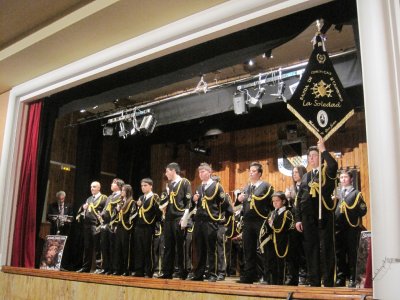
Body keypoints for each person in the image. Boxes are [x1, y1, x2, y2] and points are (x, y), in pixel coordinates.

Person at [295, 138, 338, 287]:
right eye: (309, 157)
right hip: (308, 217)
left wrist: (323, 150)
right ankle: (314, 281)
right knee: (311, 249)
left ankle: (327, 281)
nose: (311, 159)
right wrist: (298, 219)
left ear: (320, 157)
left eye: (314, 156)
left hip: (324, 214)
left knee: (326, 248)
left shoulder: (327, 171)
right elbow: (299, 199)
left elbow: (334, 165)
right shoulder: (306, 176)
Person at [189, 163, 229, 281]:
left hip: (210, 221)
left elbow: (224, 203)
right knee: (199, 248)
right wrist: (193, 199)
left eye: (203, 172)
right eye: (199, 172)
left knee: (212, 249)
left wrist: (218, 217)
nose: (200, 174)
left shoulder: (217, 186)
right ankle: (198, 273)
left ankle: (212, 274)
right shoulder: (199, 187)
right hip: (199, 221)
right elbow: (193, 204)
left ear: (209, 172)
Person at [235, 162, 274, 284]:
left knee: (264, 249)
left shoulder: (266, 186)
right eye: (250, 171)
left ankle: (267, 276)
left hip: (261, 220)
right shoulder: (247, 187)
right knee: (248, 249)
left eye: (253, 171)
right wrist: (239, 199)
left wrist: (271, 218)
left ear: (260, 173)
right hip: (248, 221)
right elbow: (240, 204)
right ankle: (250, 275)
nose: (251, 173)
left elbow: (272, 204)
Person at [158, 162, 192, 279]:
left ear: (173, 171)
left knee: (180, 246)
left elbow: (188, 202)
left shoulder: (185, 182)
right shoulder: (169, 185)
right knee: (168, 246)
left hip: (179, 217)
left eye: (167, 171)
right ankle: (167, 272)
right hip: (168, 218)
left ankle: (183, 271)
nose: (166, 174)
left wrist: (185, 218)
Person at [335, 170, 367, 287]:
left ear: (351, 179)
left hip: (351, 228)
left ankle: (353, 278)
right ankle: (341, 277)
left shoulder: (356, 194)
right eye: (341, 177)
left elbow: (363, 209)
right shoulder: (338, 193)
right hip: (339, 228)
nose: (343, 179)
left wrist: (350, 213)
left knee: (352, 253)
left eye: (345, 177)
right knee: (340, 254)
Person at [76, 181, 108, 273]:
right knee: (87, 247)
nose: (92, 188)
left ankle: (99, 267)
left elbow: (105, 211)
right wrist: (83, 208)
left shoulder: (104, 198)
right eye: (91, 187)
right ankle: (86, 267)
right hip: (87, 225)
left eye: (94, 187)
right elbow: (83, 211)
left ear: (99, 188)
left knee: (98, 247)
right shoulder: (89, 198)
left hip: (96, 225)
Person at [285, 165, 308, 285]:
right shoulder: (291, 188)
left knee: (305, 249)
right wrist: (287, 198)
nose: (294, 174)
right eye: (293, 172)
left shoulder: (307, 185)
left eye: (296, 172)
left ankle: (305, 274)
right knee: (295, 250)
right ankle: (294, 275)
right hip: (294, 221)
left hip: (305, 220)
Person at [265, 192, 295, 285]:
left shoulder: (287, 213)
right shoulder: (272, 213)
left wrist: (272, 224)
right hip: (273, 241)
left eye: (277, 201)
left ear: (283, 201)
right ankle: (273, 281)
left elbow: (281, 227)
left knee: (282, 263)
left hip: (283, 241)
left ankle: (282, 281)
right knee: (273, 262)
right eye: (273, 201)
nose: (275, 203)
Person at [134, 178, 162, 278]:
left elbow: (158, 212)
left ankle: (149, 271)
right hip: (140, 226)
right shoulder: (141, 198)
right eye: (142, 186)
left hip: (149, 226)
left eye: (145, 185)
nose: (143, 187)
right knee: (139, 249)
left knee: (148, 250)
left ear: (151, 186)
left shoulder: (154, 197)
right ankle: (139, 270)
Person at [96, 178, 124, 275]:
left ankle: (114, 268)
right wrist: (101, 215)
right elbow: (105, 209)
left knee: (114, 247)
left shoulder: (121, 196)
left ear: (119, 186)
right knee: (104, 246)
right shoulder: (109, 197)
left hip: (114, 224)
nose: (111, 184)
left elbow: (119, 211)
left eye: (113, 183)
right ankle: (106, 267)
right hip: (105, 224)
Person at [112, 184, 137, 275]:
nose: (122, 192)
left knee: (125, 249)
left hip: (127, 228)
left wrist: (128, 223)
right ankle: (118, 269)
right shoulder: (121, 202)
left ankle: (126, 270)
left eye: (123, 190)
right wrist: (117, 210)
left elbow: (133, 215)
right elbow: (115, 214)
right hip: (119, 227)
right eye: (121, 190)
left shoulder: (132, 202)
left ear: (127, 192)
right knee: (118, 248)